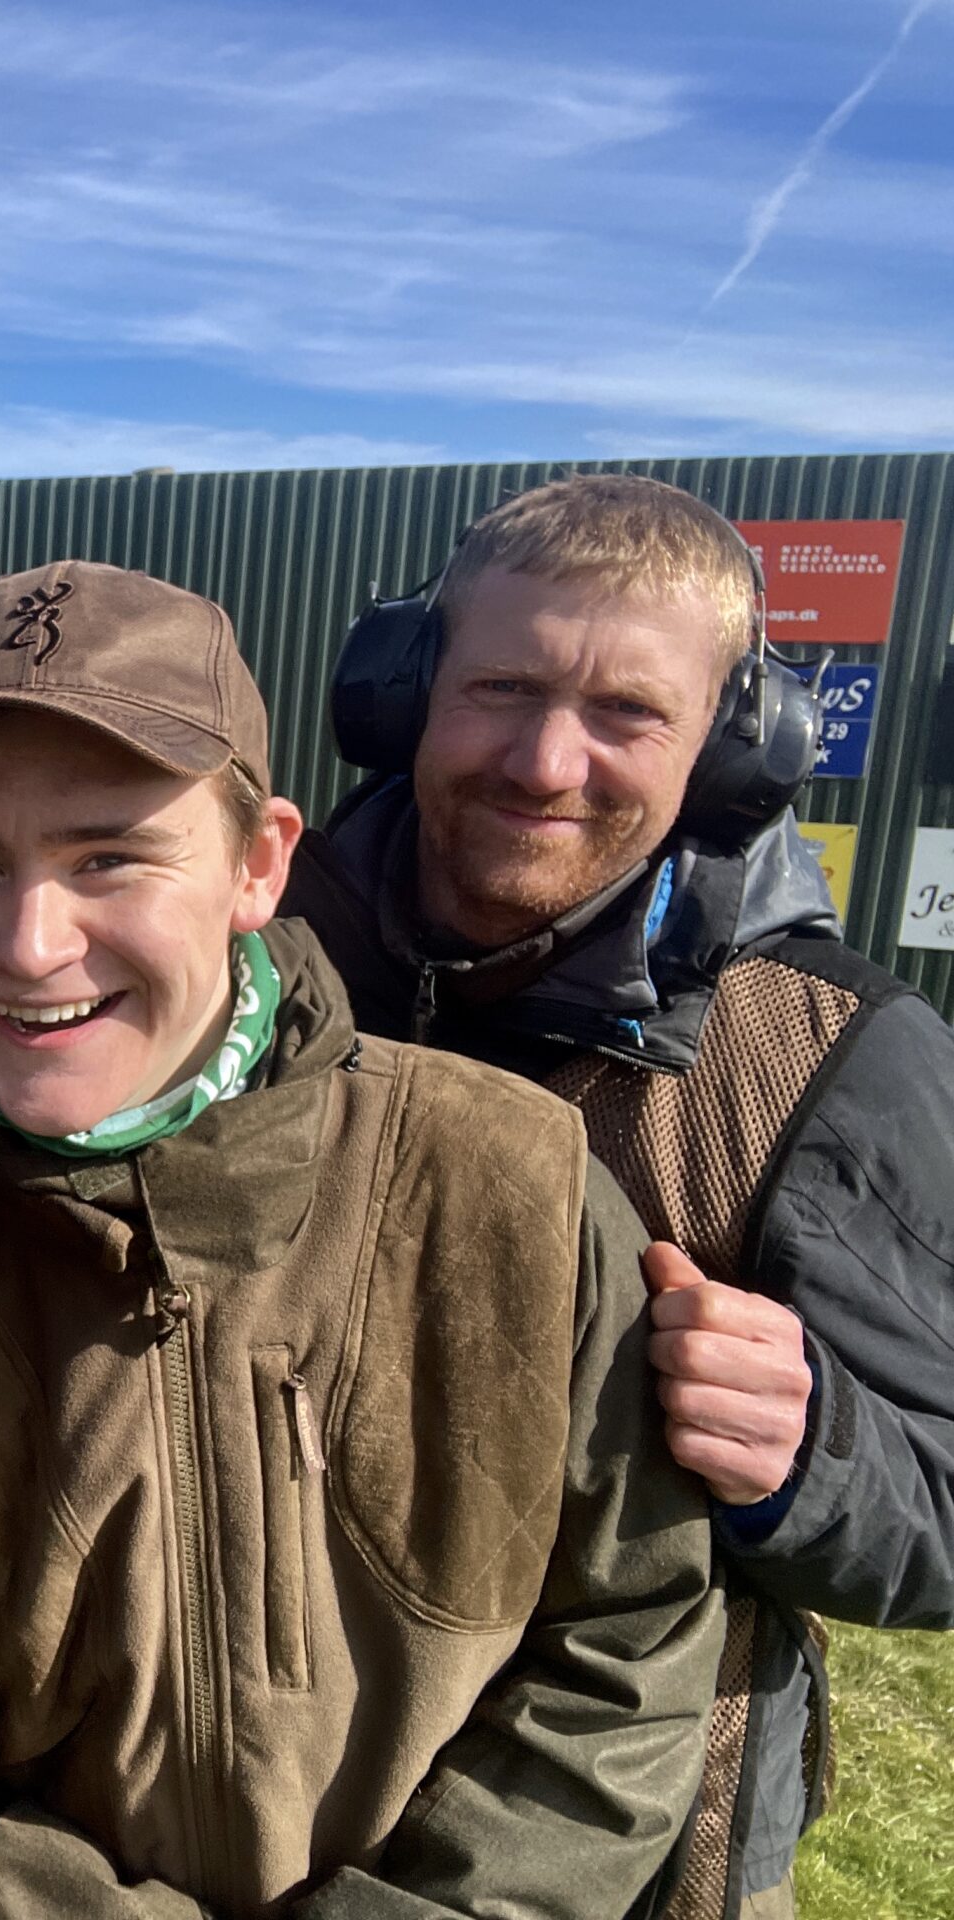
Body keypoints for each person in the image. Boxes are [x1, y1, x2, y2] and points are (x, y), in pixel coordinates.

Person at [0, 560, 723, 1919]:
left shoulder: (514, 1186)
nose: (30, 945)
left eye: (110, 857)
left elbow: (630, 1641)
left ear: (260, 863)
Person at [282, 472, 954, 1919]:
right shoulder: (261, 968)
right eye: (501, 687)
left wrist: (814, 1448)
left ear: (732, 749)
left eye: (626, 714)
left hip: (639, 1860)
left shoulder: (832, 1062)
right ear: (403, 696)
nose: (543, 760)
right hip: (251, 1810)